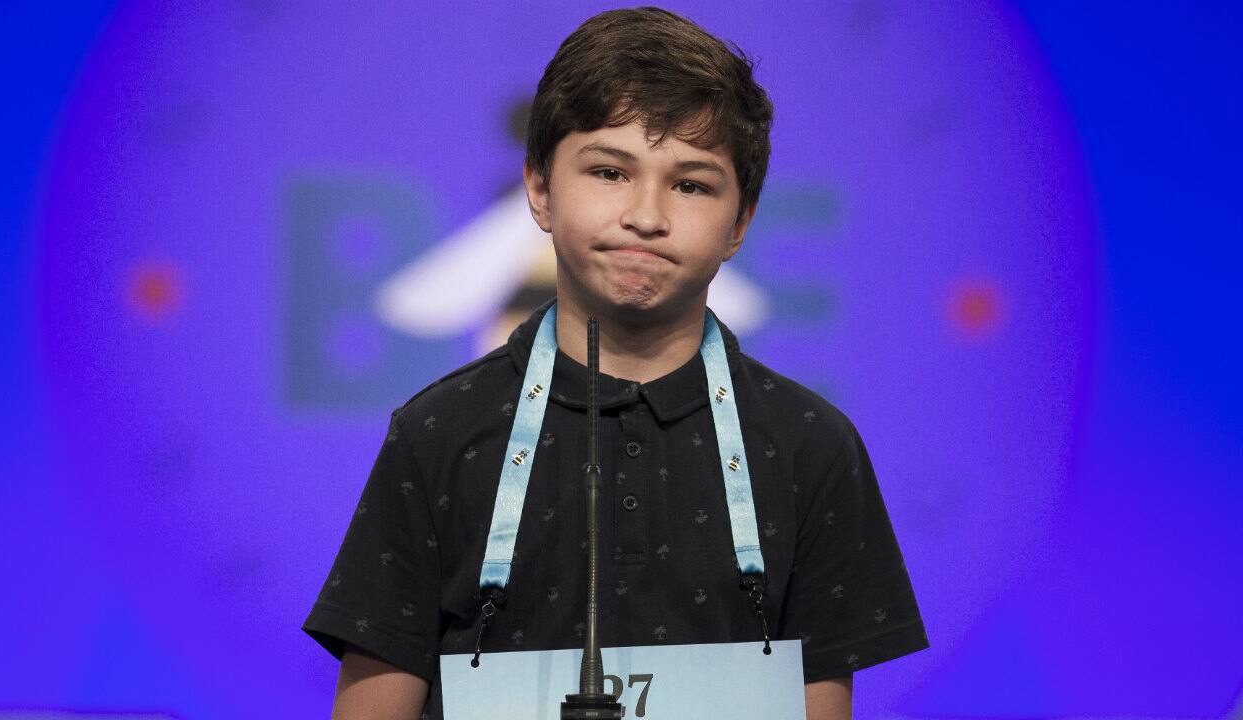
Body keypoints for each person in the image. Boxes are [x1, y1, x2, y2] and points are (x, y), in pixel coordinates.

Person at [303, 7, 927, 719]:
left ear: (741, 221)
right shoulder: (439, 433)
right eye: (609, 171)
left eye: (691, 184)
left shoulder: (810, 446)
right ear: (538, 189)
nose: (646, 215)